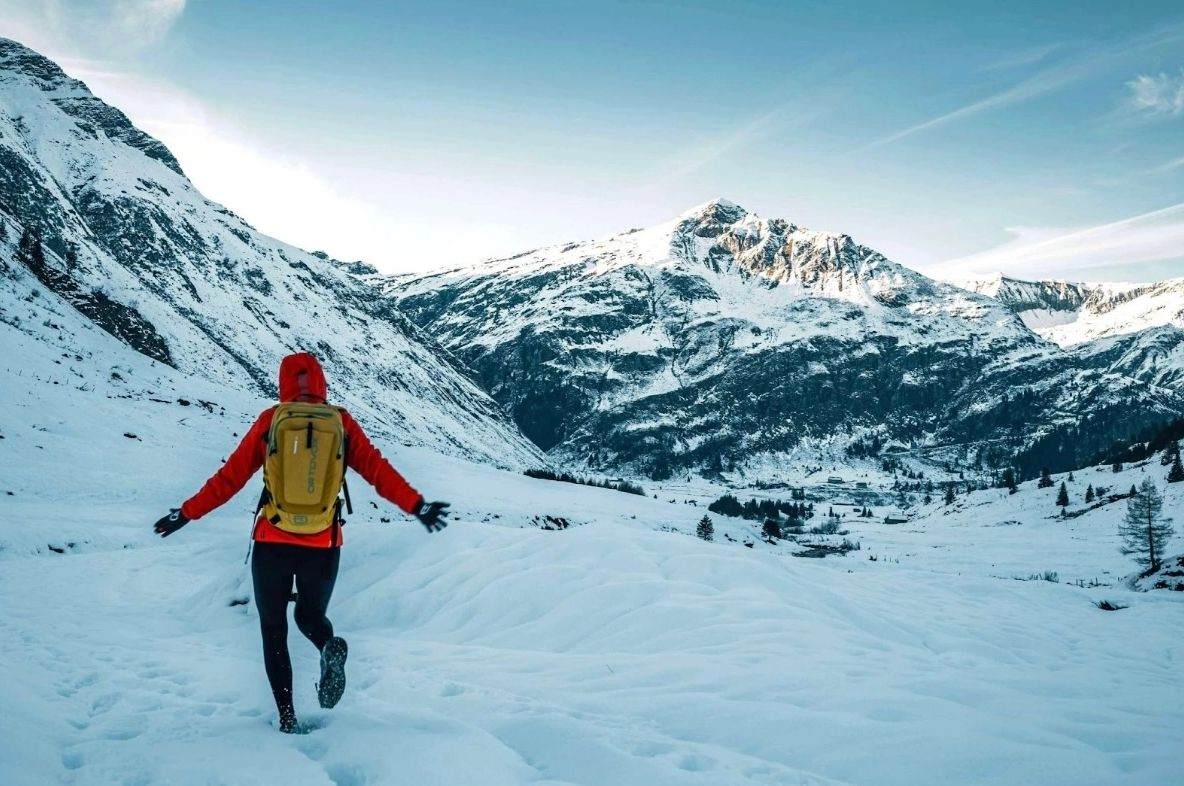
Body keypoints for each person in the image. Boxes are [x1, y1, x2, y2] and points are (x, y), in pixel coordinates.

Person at [152, 352, 450, 733]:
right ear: (322, 382)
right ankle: (327, 647)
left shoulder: (271, 421)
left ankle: (288, 719)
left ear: (283, 383)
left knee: (273, 630)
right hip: (324, 544)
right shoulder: (341, 423)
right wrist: (416, 505)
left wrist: (187, 513)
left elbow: (229, 478)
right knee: (309, 616)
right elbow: (378, 470)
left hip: (271, 543)